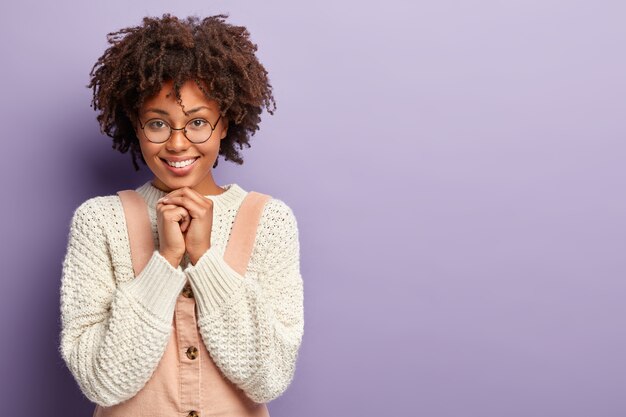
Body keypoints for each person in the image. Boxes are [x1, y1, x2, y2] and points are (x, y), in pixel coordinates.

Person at [58, 13, 304, 416]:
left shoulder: (270, 221)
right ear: (135, 125)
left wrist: (206, 258)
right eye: (158, 123)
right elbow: (101, 382)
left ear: (225, 124)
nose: (177, 143)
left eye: (198, 123)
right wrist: (166, 262)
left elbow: (269, 378)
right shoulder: (99, 222)